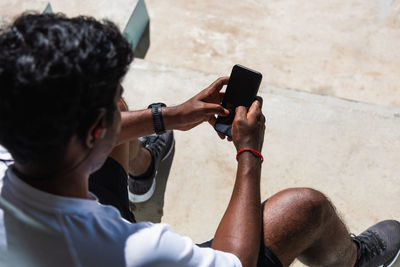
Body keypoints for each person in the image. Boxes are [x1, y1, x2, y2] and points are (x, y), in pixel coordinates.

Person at [0, 13, 398, 267]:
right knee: (305, 208)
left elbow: (102, 121)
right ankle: (353, 261)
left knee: (115, 105)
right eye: (109, 114)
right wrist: (248, 153)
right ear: (94, 132)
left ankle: (144, 177)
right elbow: (232, 263)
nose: (118, 112)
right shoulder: (129, 250)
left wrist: (170, 116)